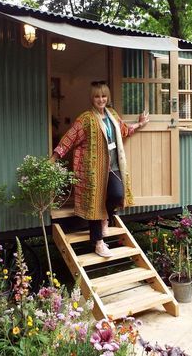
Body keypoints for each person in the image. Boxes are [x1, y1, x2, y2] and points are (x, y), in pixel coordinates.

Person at [51, 81, 149, 257]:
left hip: (114, 165)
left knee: (117, 195)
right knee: (96, 203)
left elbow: (124, 130)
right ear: (92, 98)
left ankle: (106, 217)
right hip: (94, 169)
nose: (101, 99)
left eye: (103, 96)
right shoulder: (86, 119)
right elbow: (69, 138)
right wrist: (54, 157)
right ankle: (98, 243)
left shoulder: (112, 114)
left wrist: (140, 124)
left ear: (108, 97)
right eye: (97, 96)